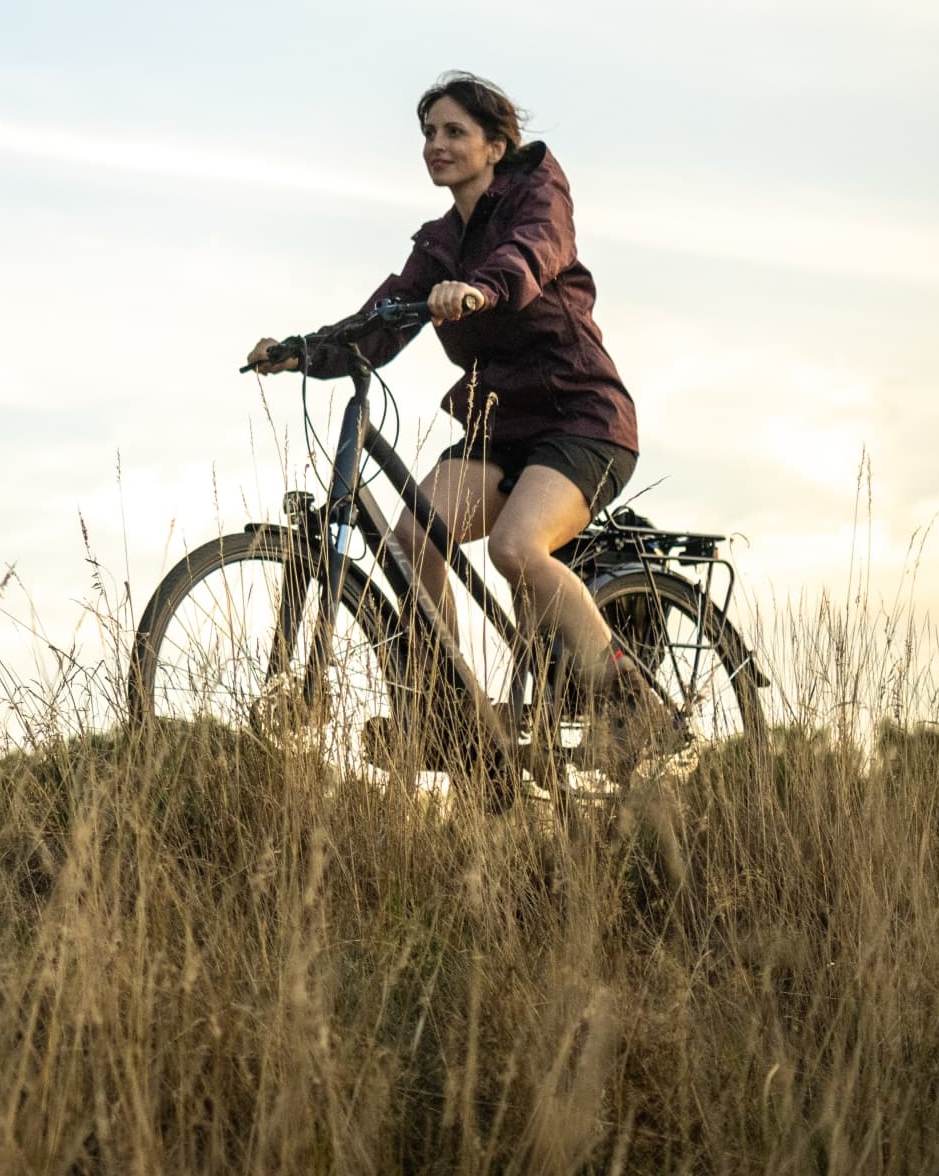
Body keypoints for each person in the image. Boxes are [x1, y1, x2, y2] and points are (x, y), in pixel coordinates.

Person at [245, 72, 663, 729]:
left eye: (454, 132)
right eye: (428, 134)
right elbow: (379, 322)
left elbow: (529, 256)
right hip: (499, 430)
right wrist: (304, 350)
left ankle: (636, 705)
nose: (436, 145)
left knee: (513, 548)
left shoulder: (537, 194)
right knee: (413, 533)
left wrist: (480, 290)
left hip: (580, 421)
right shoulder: (440, 243)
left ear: (495, 146)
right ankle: (452, 706)